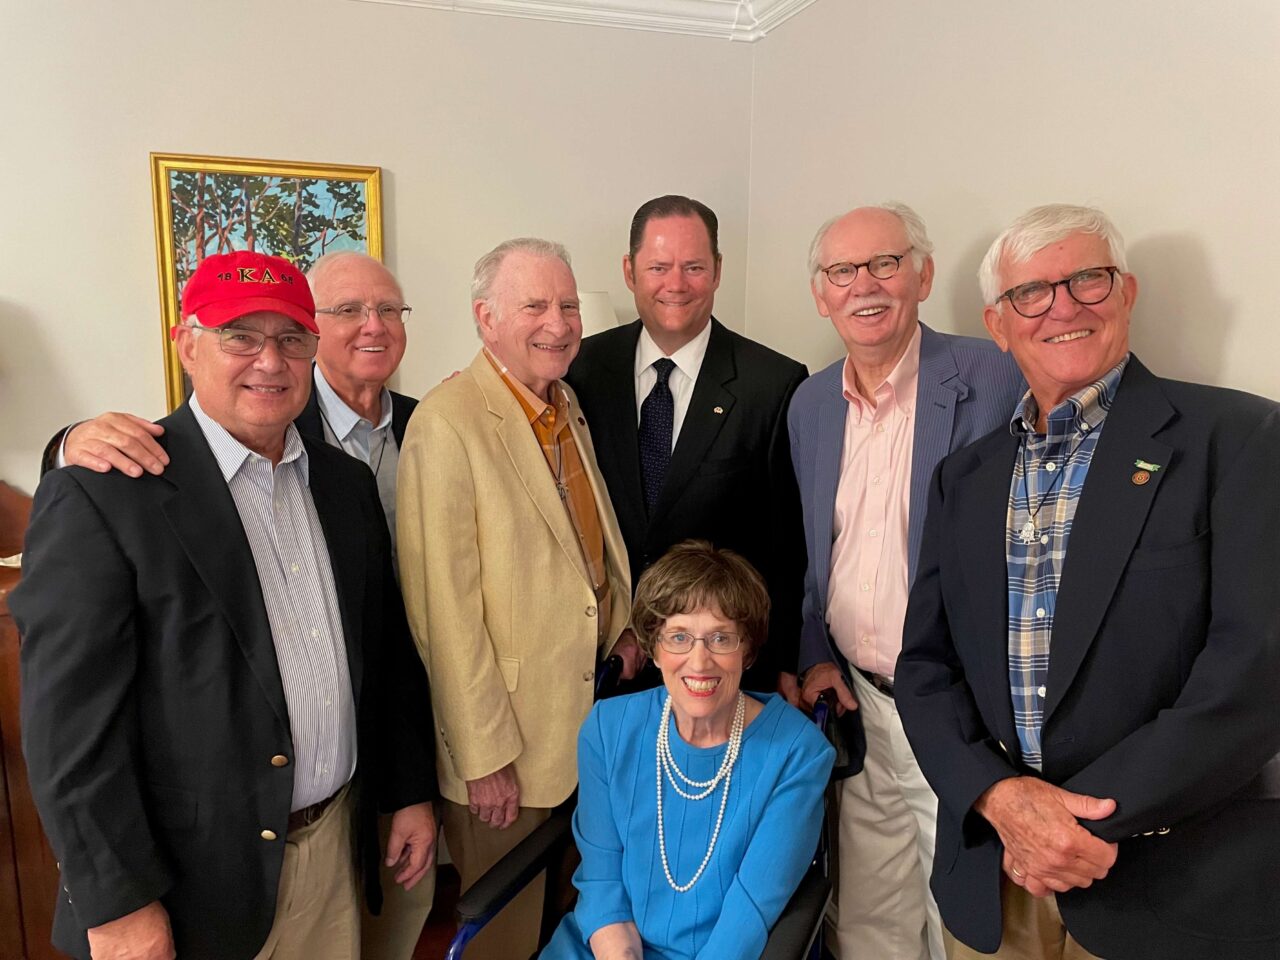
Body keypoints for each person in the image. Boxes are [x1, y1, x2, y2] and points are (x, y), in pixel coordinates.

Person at [13, 251, 437, 960]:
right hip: (188, 889)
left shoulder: (344, 484)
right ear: (187, 344)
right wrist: (118, 903)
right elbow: (67, 731)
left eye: (292, 339)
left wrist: (408, 791)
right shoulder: (107, 491)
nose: (269, 361)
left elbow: (384, 655)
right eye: (241, 335)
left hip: (332, 852)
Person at [896, 203, 1280, 960]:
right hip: (993, 881)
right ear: (999, 324)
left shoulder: (1239, 440)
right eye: (1032, 293)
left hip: (1172, 884)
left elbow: (1256, 669)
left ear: (1127, 292)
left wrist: (1079, 825)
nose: (1064, 307)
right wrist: (999, 800)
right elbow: (926, 668)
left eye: (1088, 280)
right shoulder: (963, 480)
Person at [790, 203, 1024, 959]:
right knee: (868, 923)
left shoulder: (991, 375)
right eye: (842, 272)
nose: (866, 285)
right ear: (821, 295)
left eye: (885, 264)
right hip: (859, 703)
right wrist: (815, 649)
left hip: (955, 709)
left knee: (963, 924)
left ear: (921, 274)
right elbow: (814, 553)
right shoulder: (811, 403)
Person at [396, 238, 635, 960]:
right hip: (509, 748)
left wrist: (623, 628)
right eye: (534, 305)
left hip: (586, 724)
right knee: (503, 934)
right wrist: (483, 757)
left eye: (567, 305)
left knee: (567, 923)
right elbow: (446, 613)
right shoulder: (447, 423)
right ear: (485, 317)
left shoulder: (563, 405)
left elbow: (584, 551)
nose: (558, 323)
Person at [540, 540, 834, 959]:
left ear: (747, 650)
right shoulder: (607, 730)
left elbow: (748, 915)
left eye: (721, 638)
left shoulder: (797, 754)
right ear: (653, 647)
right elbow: (603, 883)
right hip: (605, 947)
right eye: (679, 636)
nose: (699, 662)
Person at [565, 195, 808, 697]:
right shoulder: (579, 369)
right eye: (659, 266)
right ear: (630, 271)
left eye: (694, 266)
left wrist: (787, 659)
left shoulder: (774, 383)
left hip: (723, 670)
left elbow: (788, 547)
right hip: (605, 667)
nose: (676, 284)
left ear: (718, 271)